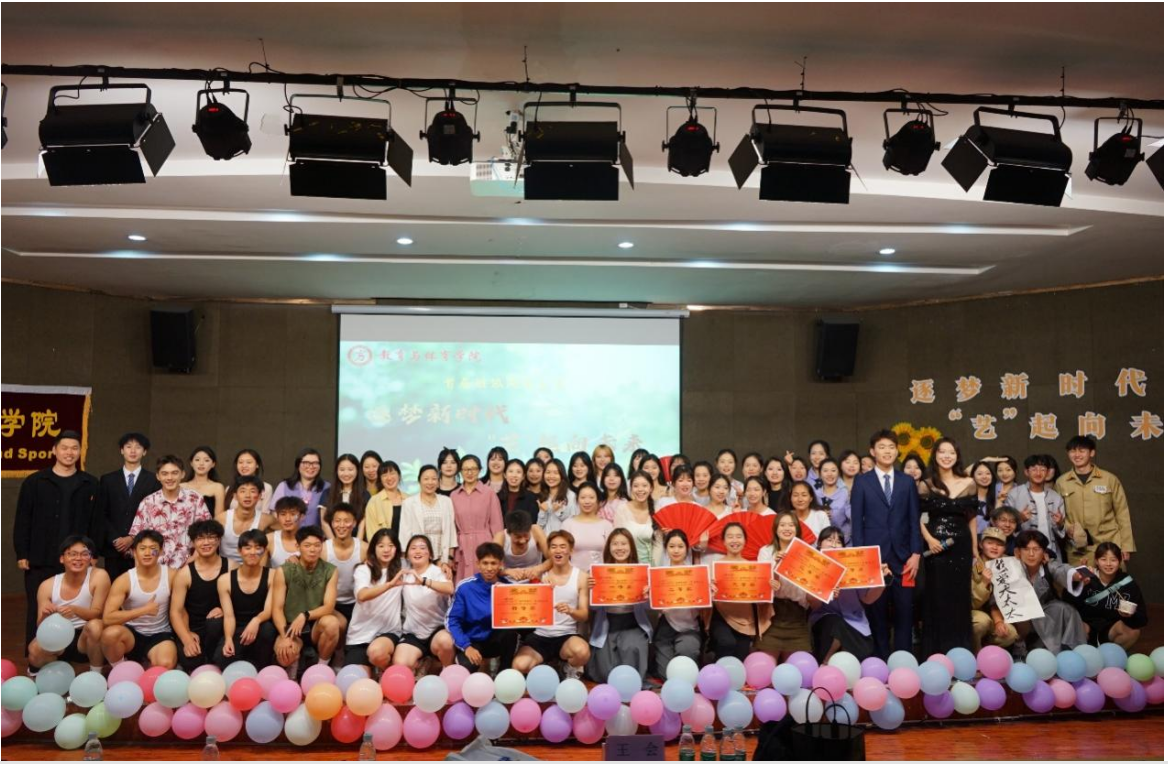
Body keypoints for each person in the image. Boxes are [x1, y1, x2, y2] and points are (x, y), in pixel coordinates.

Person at [15, 430, 98, 647]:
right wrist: (22, 553)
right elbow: (23, 518)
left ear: (80, 452)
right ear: (54, 450)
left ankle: (70, 652)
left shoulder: (90, 483)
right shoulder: (35, 481)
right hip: (40, 556)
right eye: (64, 448)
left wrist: (93, 554)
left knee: (75, 607)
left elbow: (95, 521)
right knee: (38, 607)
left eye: (74, 448)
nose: (69, 453)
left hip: (77, 559)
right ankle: (36, 654)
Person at [851, 429, 922, 658]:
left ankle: (903, 660)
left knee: (905, 613)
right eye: (882, 447)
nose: (887, 451)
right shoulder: (862, 482)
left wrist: (916, 553)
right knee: (877, 614)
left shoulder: (906, 481)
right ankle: (880, 661)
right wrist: (863, 560)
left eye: (891, 447)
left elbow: (914, 520)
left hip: (904, 558)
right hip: (875, 558)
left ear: (897, 451)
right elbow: (857, 524)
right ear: (872, 452)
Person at [917, 438, 978, 655]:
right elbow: (916, 516)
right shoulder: (925, 484)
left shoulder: (969, 483)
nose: (946, 456)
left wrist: (975, 548)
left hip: (961, 547)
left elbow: (972, 518)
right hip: (936, 549)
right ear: (935, 455)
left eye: (951, 452)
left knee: (959, 599)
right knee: (937, 599)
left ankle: (960, 652)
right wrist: (929, 539)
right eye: (942, 452)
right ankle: (936, 653)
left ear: (957, 456)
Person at [513, 531, 591, 679]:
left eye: (563, 546)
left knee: (582, 652)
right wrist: (537, 586)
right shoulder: (538, 575)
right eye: (554, 547)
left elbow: (584, 615)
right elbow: (518, 598)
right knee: (519, 665)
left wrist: (570, 611)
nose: (558, 550)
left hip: (566, 636)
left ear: (571, 550)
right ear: (549, 551)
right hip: (540, 635)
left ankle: (567, 667)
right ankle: (546, 664)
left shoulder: (581, 577)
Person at [28, 536, 110, 674]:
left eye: (84, 554)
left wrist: (74, 609)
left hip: (85, 637)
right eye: (72, 554)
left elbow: (98, 613)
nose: (78, 558)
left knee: (96, 626)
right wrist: (46, 615)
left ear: (90, 558)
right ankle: (52, 673)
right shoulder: (47, 585)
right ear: (62, 558)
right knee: (34, 649)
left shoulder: (99, 576)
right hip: (59, 635)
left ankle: (96, 674)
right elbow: (40, 626)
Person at [100, 530, 178, 669]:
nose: (147, 553)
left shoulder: (172, 576)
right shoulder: (124, 580)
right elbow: (107, 618)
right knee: (109, 635)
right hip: (131, 634)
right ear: (134, 552)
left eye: (153, 549)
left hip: (160, 633)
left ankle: (147, 663)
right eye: (142, 548)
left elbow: (181, 609)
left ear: (161, 551)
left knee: (165, 664)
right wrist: (143, 610)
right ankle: (121, 669)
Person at [808, 526, 886, 663]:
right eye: (829, 540)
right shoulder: (813, 567)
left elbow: (867, 599)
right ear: (819, 544)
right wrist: (827, 592)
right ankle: (825, 663)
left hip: (854, 622)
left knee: (862, 652)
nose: (834, 544)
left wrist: (881, 581)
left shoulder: (854, 566)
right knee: (835, 624)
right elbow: (814, 605)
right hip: (825, 621)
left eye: (838, 542)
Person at [272, 525, 344, 670]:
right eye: (307, 545)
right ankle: (292, 672)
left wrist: (305, 615)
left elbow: (329, 607)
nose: (313, 549)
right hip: (290, 627)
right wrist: (285, 636)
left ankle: (321, 667)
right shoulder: (284, 570)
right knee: (285, 654)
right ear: (297, 546)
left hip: (315, 625)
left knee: (332, 623)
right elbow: (277, 609)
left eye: (317, 545)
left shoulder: (330, 570)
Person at [587, 528, 652, 686]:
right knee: (605, 671)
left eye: (624, 543)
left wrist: (647, 596)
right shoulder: (599, 572)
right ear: (609, 547)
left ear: (631, 547)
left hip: (633, 623)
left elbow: (649, 608)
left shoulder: (642, 572)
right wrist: (591, 591)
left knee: (631, 651)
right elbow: (593, 608)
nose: (619, 548)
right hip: (607, 623)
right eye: (615, 544)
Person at [1056, 436, 1135, 564]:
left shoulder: (1109, 479)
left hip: (1109, 545)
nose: (1077, 455)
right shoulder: (1061, 482)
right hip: (1077, 548)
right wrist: (1068, 528)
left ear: (1092, 453)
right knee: (1080, 577)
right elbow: (1057, 515)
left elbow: (1122, 513)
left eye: (1082, 451)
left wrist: (1126, 546)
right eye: (1072, 451)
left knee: (1111, 577)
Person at [95, 432, 161, 583]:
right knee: (114, 589)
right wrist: (115, 538)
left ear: (144, 452)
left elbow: (154, 514)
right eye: (128, 446)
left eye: (138, 447)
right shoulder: (107, 479)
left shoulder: (154, 480)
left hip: (142, 547)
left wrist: (132, 538)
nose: (133, 451)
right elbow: (101, 513)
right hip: (114, 548)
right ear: (121, 450)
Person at [128, 455, 211, 569]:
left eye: (174, 473)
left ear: (182, 474)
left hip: (189, 565)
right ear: (158, 476)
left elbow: (206, 533)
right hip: (155, 566)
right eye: (164, 473)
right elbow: (138, 540)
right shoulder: (148, 502)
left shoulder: (195, 499)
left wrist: (192, 560)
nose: (170, 477)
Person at [447, 542, 519, 673]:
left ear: (500, 564)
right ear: (478, 564)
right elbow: (452, 620)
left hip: (495, 641)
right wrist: (466, 646)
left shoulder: (508, 587)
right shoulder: (465, 587)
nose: (489, 568)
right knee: (467, 668)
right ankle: (459, 660)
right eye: (485, 563)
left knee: (511, 632)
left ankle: (504, 672)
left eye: (493, 563)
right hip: (472, 641)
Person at [1013, 529, 1088, 654]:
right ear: (1018, 552)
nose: (1031, 554)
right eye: (1026, 549)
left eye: (1036, 549)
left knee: (1065, 609)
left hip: (1044, 610)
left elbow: (1062, 569)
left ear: (1044, 552)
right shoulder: (1010, 568)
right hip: (1018, 613)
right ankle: (1020, 650)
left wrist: (1076, 575)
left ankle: (1074, 650)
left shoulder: (1048, 565)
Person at [170, 519, 230, 672]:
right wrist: (186, 638)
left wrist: (225, 609)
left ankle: (213, 656)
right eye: (200, 538)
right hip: (193, 629)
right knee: (191, 663)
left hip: (221, 628)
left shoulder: (231, 567)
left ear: (219, 540)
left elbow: (242, 600)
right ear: (193, 543)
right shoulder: (184, 574)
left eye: (211, 537)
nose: (206, 542)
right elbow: (175, 612)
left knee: (216, 628)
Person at [708, 523, 772, 662]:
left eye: (738, 536)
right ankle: (717, 671)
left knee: (741, 654)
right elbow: (706, 598)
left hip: (745, 618)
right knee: (726, 642)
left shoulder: (753, 568)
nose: (734, 540)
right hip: (721, 616)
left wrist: (769, 587)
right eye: (730, 537)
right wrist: (709, 590)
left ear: (745, 540)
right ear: (724, 541)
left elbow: (760, 599)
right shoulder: (714, 567)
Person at [215, 529, 277, 669]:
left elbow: (268, 610)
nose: (253, 552)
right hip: (237, 628)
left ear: (264, 551)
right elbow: (229, 616)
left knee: (267, 629)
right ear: (239, 551)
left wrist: (256, 620)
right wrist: (228, 639)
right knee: (222, 659)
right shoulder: (225, 580)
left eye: (258, 548)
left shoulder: (273, 575)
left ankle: (261, 665)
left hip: (261, 627)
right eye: (248, 548)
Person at [344, 529, 403, 671]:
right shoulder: (363, 569)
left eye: (391, 545)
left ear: (397, 549)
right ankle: (376, 670)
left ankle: (384, 669)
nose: (386, 550)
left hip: (387, 632)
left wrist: (443, 565)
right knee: (356, 679)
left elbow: (422, 562)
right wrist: (389, 585)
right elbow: (362, 595)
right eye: (381, 546)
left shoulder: (402, 568)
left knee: (376, 653)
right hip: (360, 635)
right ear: (373, 548)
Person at [395, 535, 456, 672]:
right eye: (413, 548)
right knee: (400, 663)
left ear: (430, 554)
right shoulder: (405, 572)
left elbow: (450, 588)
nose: (418, 551)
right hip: (413, 633)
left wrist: (424, 581)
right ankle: (421, 663)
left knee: (446, 643)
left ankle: (447, 670)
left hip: (437, 630)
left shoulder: (438, 571)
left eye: (422, 548)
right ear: (407, 554)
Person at [756, 513, 811, 659]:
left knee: (798, 666)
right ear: (776, 528)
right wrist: (776, 566)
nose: (787, 528)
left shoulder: (807, 553)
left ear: (797, 529)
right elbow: (763, 586)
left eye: (791, 525)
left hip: (797, 615)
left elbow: (808, 591)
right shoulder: (766, 551)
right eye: (782, 525)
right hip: (772, 614)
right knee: (765, 665)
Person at [1006, 455, 1079, 563]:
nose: (1038, 473)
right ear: (1026, 472)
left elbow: (1061, 531)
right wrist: (1020, 519)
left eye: (1043, 469)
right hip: (1023, 551)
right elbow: (1005, 526)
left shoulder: (1056, 497)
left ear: (1048, 472)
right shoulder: (1014, 494)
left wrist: (1060, 523)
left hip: (1049, 551)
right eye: (1034, 469)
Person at [1075, 542, 1147, 649]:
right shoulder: (1087, 578)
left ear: (1119, 561)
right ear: (1096, 561)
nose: (1108, 564)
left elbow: (1143, 619)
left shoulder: (1128, 583)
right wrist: (1077, 581)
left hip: (1111, 630)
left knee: (1133, 632)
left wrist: (1130, 616)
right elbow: (1069, 603)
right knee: (1075, 626)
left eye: (1113, 560)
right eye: (1103, 559)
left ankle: (1112, 656)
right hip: (1087, 628)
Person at [452, 455, 505, 581]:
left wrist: (496, 554)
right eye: (465, 469)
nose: (469, 473)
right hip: (462, 548)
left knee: (485, 583)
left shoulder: (489, 493)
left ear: (480, 470)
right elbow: (452, 528)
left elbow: (497, 527)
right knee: (463, 585)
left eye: (473, 469)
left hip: (484, 544)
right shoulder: (454, 495)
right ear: (460, 471)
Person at [399, 465, 458, 579]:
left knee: (441, 587)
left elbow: (451, 533)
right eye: (426, 479)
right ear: (419, 481)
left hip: (441, 559)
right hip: (418, 558)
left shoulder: (446, 501)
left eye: (434, 479)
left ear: (438, 481)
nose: (430, 482)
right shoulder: (409, 503)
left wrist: (448, 559)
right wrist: (409, 561)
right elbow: (404, 534)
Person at [970, 527, 1018, 652]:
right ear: (981, 545)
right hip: (974, 612)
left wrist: (999, 621)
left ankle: (987, 653)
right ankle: (974, 652)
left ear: (1005, 548)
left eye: (999, 544)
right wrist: (984, 583)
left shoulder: (1009, 564)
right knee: (982, 622)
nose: (994, 547)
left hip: (996, 615)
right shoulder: (972, 564)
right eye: (990, 543)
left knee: (1010, 633)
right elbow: (972, 603)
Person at [216, 475, 273, 564]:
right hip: (225, 568)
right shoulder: (221, 519)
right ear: (235, 496)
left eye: (252, 491)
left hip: (254, 568)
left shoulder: (266, 519)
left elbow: (287, 535)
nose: (247, 495)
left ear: (259, 496)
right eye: (243, 491)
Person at [269, 448, 330, 529]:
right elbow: (274, 514)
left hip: (317, 536)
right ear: (298, 465)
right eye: (306, 463)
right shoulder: (284, 486)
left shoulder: (327, 487)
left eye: (315, 463)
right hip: (289, 535)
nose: (310, 466)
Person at [324, 503, 364, 625]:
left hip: (358, 604)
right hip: (330, 605)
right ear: (332, 523)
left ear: (354, 523)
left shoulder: (364, 549)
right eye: (337, 521)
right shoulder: (323, 549)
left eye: (346, 521)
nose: (341, 525)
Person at [561, 484, 613, 573]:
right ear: (577, 500)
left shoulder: (606, 525)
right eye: (583, 497)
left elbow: (611, 554)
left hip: (600, 575)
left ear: (597, 500)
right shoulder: (567, 524)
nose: (587, 501)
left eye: (591, 497)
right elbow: (562, 553)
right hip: (573, 575)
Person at [614, 471, 660, 569]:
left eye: (644, 486)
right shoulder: (622, 509)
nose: (640, 489)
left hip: (652, 567)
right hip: (628, 566)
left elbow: (659, 546)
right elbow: (616, 540)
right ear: (631, 488)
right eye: (636, 486)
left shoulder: (658, 509)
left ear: (651, 488)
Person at [495, 511, 551, 583]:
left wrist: (538, 569)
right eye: (518, 537)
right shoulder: (501, 537)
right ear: (509, 533)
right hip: (507, 582)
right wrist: (507, 571)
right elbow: (490, 566)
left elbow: (553, 558)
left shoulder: (536, 530)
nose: (522, 541)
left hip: (535, 580)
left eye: (526, 535)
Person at [321, 454, 369, 530]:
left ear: (357, 471)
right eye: (342, 470)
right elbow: (324, 522)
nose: (346, 474)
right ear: (336, 471)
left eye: (350, 469)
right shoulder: (327, 493)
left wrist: (358, 538)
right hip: (331, 536)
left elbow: (363, 521)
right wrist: (332, 538)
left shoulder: (364, 494)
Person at [363, 460, 406, 544]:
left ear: (399, 476)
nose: (389, 478)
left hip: (407, 549)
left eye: (392, 473)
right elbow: (372, 533)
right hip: (384, 549)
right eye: (384, 475)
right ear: (380, 479)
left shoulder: (409, 499)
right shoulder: (374, 502)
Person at [226, 449, 273, 514]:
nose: (244, 466)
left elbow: (265, 513)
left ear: (257, 465)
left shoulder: (266, 487)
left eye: (249, 462)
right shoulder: (229, 488)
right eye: (240, 462)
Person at [182, 446, 226, 516]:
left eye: (206, 460)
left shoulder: (218, 487)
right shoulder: (181, 487)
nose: (201, 463)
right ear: (191, 463)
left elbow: (219, 517)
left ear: (213, 464)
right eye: (197, 460)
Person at [537, 458, 578, 533]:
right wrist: (542, 512)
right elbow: (540, 526)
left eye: (555, 473)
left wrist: (558, 511)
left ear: (562, 475)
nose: (551, 476)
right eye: (548, 472)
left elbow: (573, 523)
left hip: (564, 538)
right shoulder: (543, 495)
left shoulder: (571, 496)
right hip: (545, 538)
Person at [817, 459, 852, 544]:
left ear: (838, 473)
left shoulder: (845, 494)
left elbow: (853, 516)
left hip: (843, 541)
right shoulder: (814, 495)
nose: (829, 474)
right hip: (820, 542)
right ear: (820, 474)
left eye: (833, 470)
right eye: (825, 471)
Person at [785, 480, 830, 546]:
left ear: (811, 498)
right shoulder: (785, 517)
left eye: (804, 495)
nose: (800, 499)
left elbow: (828, 541)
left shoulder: (820, 515)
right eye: (795, 495)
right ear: (790, 498)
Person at [497, 459, 540, 528]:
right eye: (511, 471)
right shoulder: (497, 497)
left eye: (518, 472)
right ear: (505, 475)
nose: (514, 475)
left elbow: (533, 522)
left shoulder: (531, 498)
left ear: (523, 476)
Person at [268, 497, 307, 568]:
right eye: (283, 514)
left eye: (293, 514)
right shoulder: (269, 539)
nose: (287, 519)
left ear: (302, 516)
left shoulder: (311, 540)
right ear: (277, 516)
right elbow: (261, 569)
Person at [969, 461, 998, 536]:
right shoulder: (967, 497)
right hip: (968, 538)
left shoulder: (998, 495)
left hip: (990, 539)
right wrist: (985, 459)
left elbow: (997, 523)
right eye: (980, 474)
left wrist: (999, 502)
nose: (984, 476)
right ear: (973, 477)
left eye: (988, 473)